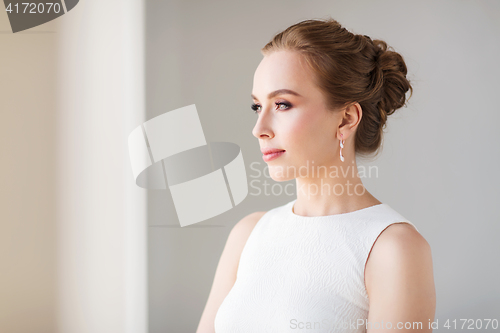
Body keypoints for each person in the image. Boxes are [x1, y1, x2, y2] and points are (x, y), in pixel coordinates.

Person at [196, 17, 435, 333]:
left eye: (282, 104)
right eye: (257, 107)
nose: (259, 129)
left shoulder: (392, 248)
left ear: (346, 118)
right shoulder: (248, 234)